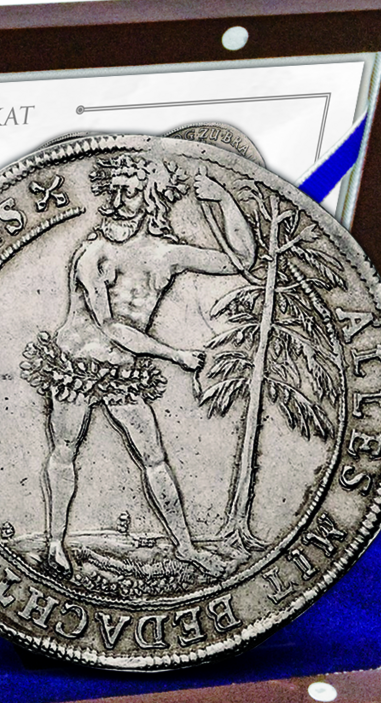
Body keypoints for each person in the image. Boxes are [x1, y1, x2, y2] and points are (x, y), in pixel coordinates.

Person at [21, 153, 256, 578]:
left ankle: (185, 548)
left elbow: (240, 260)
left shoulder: (167, 255)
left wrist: (223, 199)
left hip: (122, 372)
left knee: (154, 458)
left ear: (149, 200)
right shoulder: (93, 255)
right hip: (76, 366)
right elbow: (111, 327)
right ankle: (55, 544)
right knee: (64, 450)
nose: (116, 202)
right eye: (113, 192)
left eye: (129, 193)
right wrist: (176, 355)